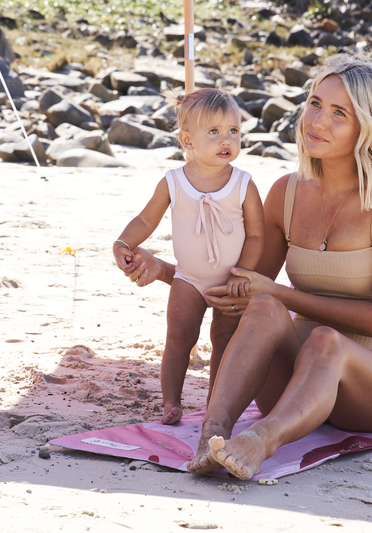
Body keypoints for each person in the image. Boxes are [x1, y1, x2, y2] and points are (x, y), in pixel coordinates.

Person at [123, 54, 372, 479]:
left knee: (323, 339)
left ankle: (260, 439)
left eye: (340, 113)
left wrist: (281, 293)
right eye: (316, 104)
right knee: (259, 308)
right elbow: (238, 290)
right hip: (297, 380)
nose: (317, 121)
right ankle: (214, 433)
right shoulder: (286, 192)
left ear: (368, 125)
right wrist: (163, 269)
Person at [113, 88, 265, 425]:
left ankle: (215, 404)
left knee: (225, 340)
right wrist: (123, 242)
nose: (226, 139)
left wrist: (244, 274)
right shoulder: (174, 181)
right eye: (213, 131)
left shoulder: (243, 184)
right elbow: (145, 220)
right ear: (187, 140)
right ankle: (171, 403)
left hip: (231, 282)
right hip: (188, 279)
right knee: (179, 336)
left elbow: (257, 235)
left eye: (233, 131)